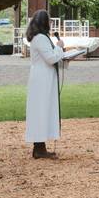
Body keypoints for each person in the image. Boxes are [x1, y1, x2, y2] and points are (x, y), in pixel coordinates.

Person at [25, 10, 65, 159]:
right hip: (42, 79)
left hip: (44, 77)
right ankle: (39, 148)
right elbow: (50, 58)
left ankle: (40, 146)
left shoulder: (41, 37)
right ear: (44, 22)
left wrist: (62, 55)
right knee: (41, 110)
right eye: (49, 20)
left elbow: (51, 57)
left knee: (43, 110)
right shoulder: (40, 38)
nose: (51, 23)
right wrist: (60, 47)